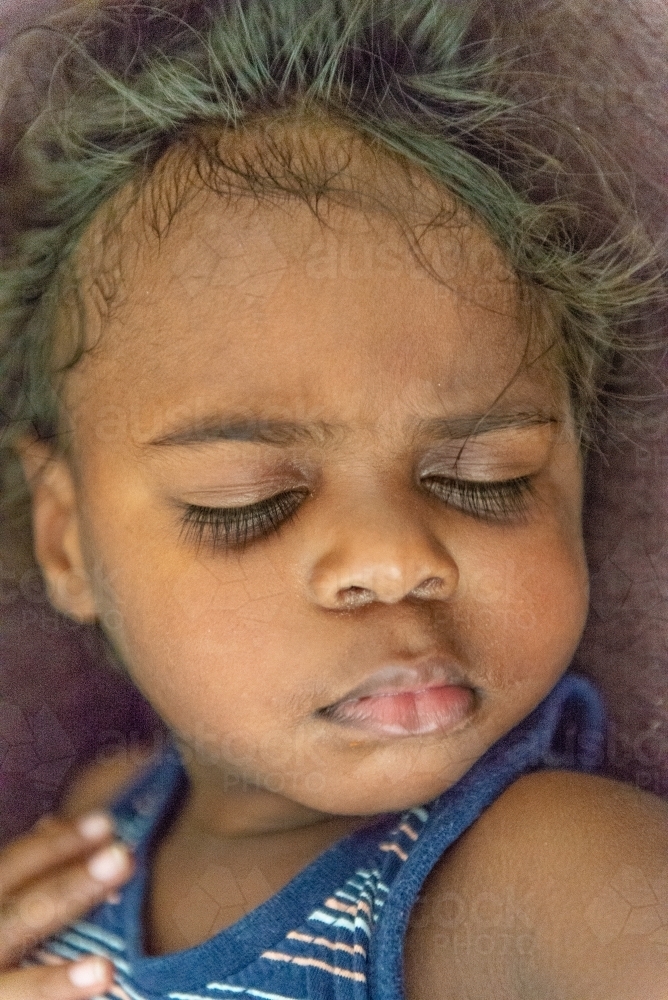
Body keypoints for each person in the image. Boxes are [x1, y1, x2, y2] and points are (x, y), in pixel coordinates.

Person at [0, 1, 667, 997]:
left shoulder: (543, 873)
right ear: (65, 539)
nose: (393, 557)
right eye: (249, 499)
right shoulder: (99, 824)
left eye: (483, 477)